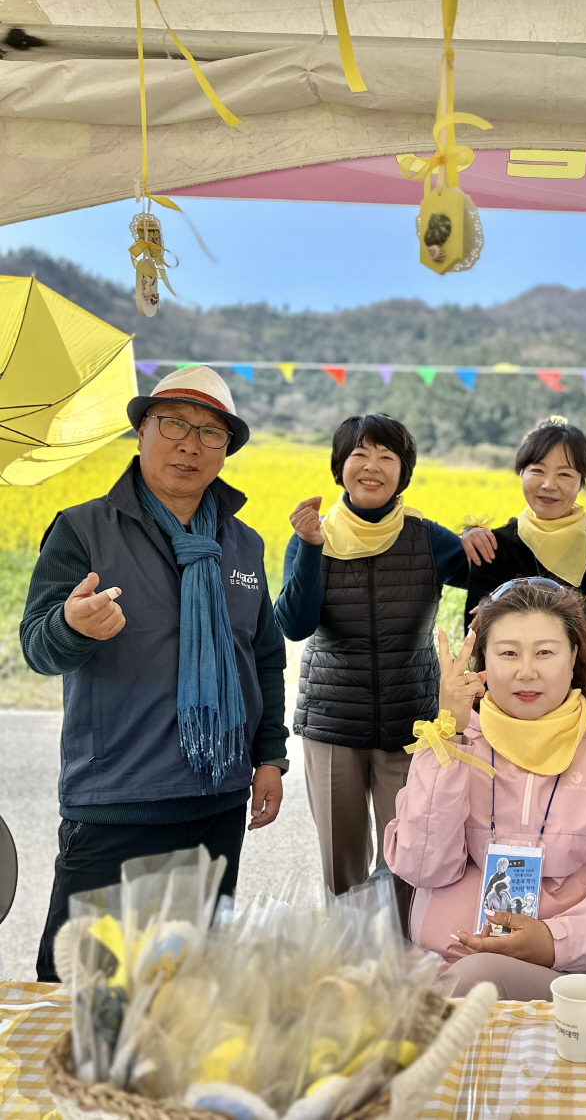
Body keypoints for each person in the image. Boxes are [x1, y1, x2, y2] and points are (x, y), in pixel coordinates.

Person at [20, 366, 288, 981]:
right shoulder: (82, 530)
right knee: (84, 989)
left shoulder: (242, 544)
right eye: (173, 425)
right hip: (117, 800)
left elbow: (263, 656)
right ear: (142, 431)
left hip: (217, 800)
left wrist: (269, 756)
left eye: (211, 432)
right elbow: (38, 648)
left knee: (188, 989)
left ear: (226, 449)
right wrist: (71, 626)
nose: (190, 445)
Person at [385, 581, 586, 1000]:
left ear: (573, 657)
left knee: (476, 979)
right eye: (508, 653)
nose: (526, 671)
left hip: (563, 976)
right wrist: (450, 737)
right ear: (483, 662)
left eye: (545, 652)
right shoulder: (452, 740)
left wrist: (555, 940)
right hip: (441, 968)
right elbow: (422, 867)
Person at [275, 414, 471, 912]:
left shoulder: (428, 538)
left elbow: (491, 580)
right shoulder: (313, 536)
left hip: (411, 722)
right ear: (340, 466)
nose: (372, 466)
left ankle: (402, 949)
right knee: (340, 861)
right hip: (333, 721)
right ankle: (348, 950)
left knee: (408, 857)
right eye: (359, 454)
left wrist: (481, 537)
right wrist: (311, 550)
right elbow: (294, 624)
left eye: (386, 456)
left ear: (402, 472)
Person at [461, 417, 586, 724]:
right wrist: (582, 604)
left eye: (564, 474)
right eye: (537, 470)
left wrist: (512, 605)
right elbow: (476, 629)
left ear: (581, 481)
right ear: (522, 473)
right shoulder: (494, 545)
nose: (549, 484)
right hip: (506, 707)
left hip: (584, 703)